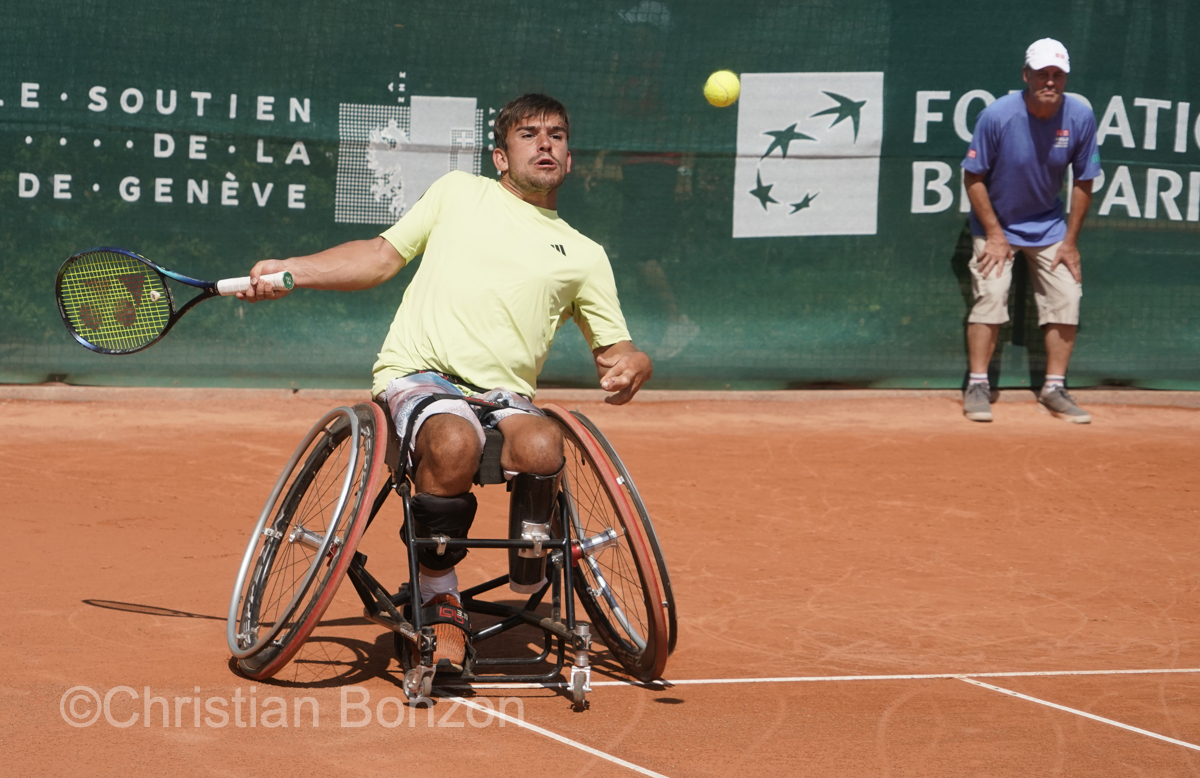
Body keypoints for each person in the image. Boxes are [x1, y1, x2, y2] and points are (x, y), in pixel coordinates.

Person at [237, 93, 653, 670]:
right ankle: (438, 597)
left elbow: (615, 349)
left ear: (569, 156)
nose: (545, 143)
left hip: (504, 396)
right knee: (454, 438)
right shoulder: (459, 193)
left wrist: (636, 363)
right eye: (528, 134)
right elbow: (380, 256)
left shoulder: (584, 254)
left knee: (544, 443)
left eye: (556, 135)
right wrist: (293, 270)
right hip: (419, 374)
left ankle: (530, 565)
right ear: (501, 157)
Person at [960, 38, 1100, 423]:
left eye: (1057, 74)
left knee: (1067, 295)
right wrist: (995, 234)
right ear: (1026, 75)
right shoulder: (997, 116)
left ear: (1065, 78)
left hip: (1049, 225)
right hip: (997, 225)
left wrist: (1070, 242)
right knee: (991, 294)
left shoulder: (1080, 116)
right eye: (1042, 74)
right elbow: (973, 177)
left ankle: (1054, 388)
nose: (1050, 81)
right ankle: (977, 385)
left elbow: (1084, 180)